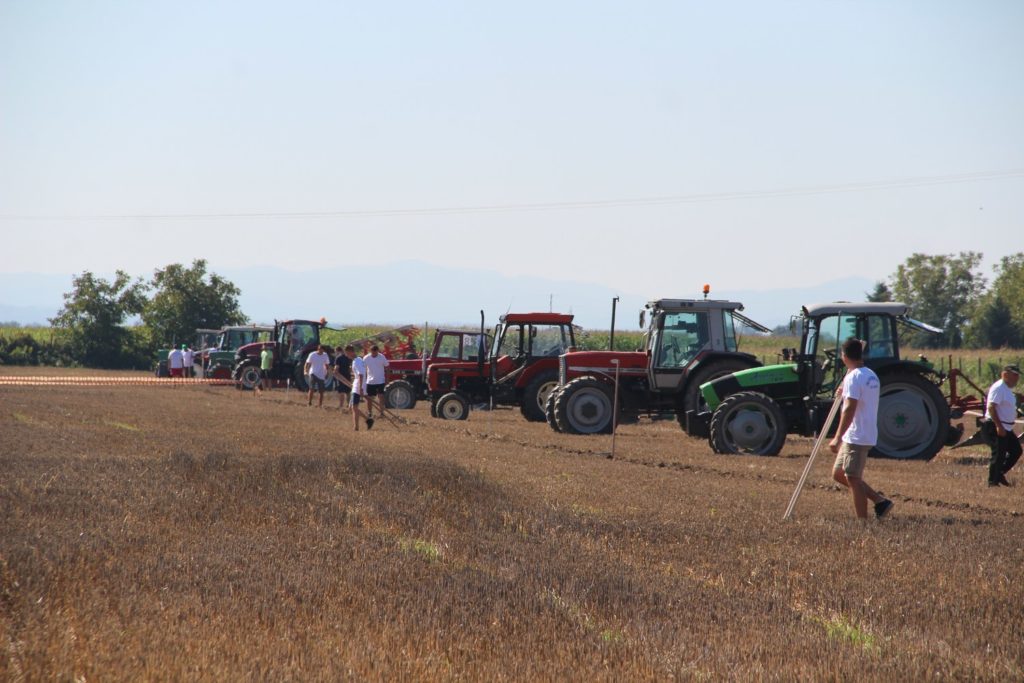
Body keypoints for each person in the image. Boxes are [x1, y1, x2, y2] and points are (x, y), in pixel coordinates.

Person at [829, 338, 894, 520]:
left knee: (853, 478)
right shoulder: (870, 375)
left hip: (857, 435)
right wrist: (844, 391)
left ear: (844, 356)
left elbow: (850, 408)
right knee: (838, 473)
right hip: (858, 433)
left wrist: (837, 437)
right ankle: (880, 501)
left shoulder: (853, 377)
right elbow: (859, 397)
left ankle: (862, 523)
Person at [983, 364, 1021, 487]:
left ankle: (999, 473)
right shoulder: (999, 387)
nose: (1017, 378)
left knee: (1016, 451)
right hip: (997, 426)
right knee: (999, 455)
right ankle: (992, 482)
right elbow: (991, 407)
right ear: (1005, 374)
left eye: (1017, 376)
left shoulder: (1006, 389)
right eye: (1014, 375)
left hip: (1006, 427)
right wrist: (999, 426)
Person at [363, 345, 390, 418]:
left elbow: (387, 367)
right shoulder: (366, 358)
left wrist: (387, 379)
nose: (374, 354)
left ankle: (381, 413)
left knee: (381, 397)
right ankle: (370, 413)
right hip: (370, 381)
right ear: (370, 351)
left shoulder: (382, 357)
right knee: (369, 398)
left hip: (380, 380)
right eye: (373, 352)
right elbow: (363, 369)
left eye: (375, 352)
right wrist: (363, 380)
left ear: (377, 351)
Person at [350, 349, 374, 431]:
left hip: (358, 386)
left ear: (351, 352)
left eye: (347, 353)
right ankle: (359, 425)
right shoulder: (358, 360)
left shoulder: (357, 361)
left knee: (354, 407)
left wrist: (360, 388)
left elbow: (361, 375)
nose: (347, 355)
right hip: (357, 385)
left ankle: (359, 425)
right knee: (353, 407)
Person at [304, 344, 331, 408]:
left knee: (321, 391)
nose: (321, 351)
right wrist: (305, 370)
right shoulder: (312, 354)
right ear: (318, 349)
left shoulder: (325, 355)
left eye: (322, 350)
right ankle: (309, 403)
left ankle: (320, 404)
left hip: (321, 375)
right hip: (313, 373)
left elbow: (327, 365)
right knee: (311, 388)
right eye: (320, 350)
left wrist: (327, 373)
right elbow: (307, 363)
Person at [333, 345, 354, 411]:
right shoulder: (347, 358)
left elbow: (336, 368)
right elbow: (350, 368)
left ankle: (343, 406)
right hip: (345, 377)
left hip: (342, 377)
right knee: (346, 392)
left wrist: (335, 372)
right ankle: (347, 406)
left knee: (343, 392)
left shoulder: (339, 358)